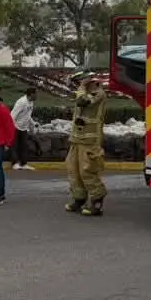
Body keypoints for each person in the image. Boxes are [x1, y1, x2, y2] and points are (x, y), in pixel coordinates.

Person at [65, 72, 109, 217]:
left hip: (90, 141)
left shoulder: (98, 94)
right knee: (74, 170)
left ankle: (97, 200)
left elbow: (83, 101)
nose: (80, 84)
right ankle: (79, 198)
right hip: (77, 139)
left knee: (87, 171)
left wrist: (82, 88)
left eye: (82, 81)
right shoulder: (83, 92)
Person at [10, 87, 36, 170]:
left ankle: (24, 164)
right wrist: (11, 128)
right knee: (14, 145)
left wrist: (33, 123)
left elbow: (28, 115)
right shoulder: (21, 102)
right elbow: (12, 115)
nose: (37, 96)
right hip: (15, 127)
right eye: (36, 94)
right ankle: (15, 163)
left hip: (24, 128)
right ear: (31, 94)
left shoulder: (31, 102)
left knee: (24, 146)